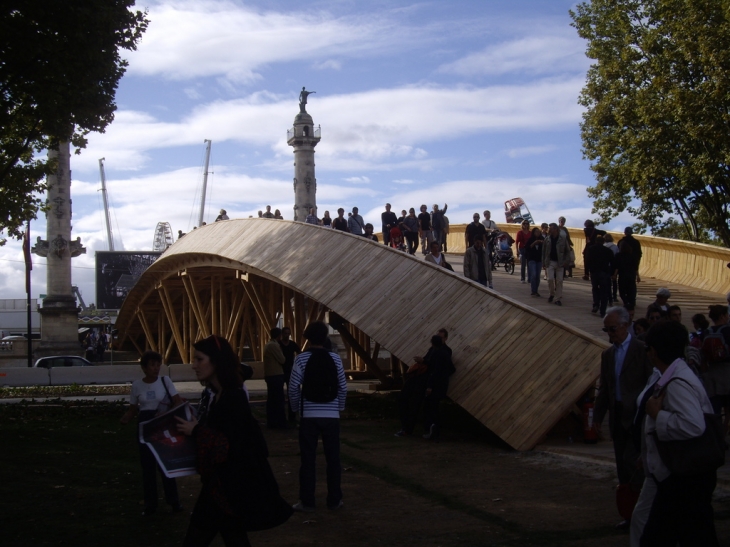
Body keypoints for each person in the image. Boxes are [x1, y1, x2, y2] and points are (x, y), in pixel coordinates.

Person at [176, 335, 293, 546]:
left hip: (227, 487)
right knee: (232, 533)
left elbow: (229, 444)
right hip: (226, 486)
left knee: (200, 536)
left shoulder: (232, 398)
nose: (194, 365)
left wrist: (196, 431)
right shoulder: (220, 394)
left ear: (217, 361)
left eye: (199, 359)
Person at [637, 320, 719, 546]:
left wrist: (657, 415)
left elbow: (693, 424)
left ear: (653, 351)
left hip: (685, 475)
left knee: (658, 536)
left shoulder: (677, 382)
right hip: (685, 473)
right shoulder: (675, 374)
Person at [594, 307, 652, 529]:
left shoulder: (641, 350)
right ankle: (629, 515)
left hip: (637, 417)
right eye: (606, 329)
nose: (610, 333)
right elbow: (605, 388)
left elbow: (650, 382)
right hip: (617, 416)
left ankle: (642, 514)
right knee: (622, 468)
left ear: (625, 326)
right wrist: (598, 416)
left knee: (636, 466)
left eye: (612, 329)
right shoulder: (607, 354)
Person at [289, 321, 347, 512]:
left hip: (309, 415)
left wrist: (297, 409)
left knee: (308, 460)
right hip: (331, 416)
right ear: (325, 337)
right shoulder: (335, 359)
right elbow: (342, 386)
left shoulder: (301, 359)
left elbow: (293, 388)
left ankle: (307, 501)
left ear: (308, 338)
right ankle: (334, 499)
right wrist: (339, 408)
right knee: (333, 460)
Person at [120, 351, 184, 516]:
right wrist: (126, 418)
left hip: (162, 424)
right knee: (148, 468)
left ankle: (174, 501)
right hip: (145, 425)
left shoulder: (165, 381)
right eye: (152, 365)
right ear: (144, 368)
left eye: (158, 365)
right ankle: (150, 504)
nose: (156, 368)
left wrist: (166, 414)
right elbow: (133, 409)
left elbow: (177, 401)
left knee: (166, 465)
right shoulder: (137, 386)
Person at [395, 329, 452, 438]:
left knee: (416, 405)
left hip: (428, 383)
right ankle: (410, 429)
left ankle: (408, 429)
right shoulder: (436, 350)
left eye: (440, 337)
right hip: (423, 380)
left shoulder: (444, 351)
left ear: (445, 338)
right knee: (408, 401)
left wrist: (424, 363)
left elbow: (437, 368)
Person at [701, 305, 730, 431]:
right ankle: (725, 430)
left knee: (714, 409)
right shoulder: (728, 331)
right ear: (723, 316)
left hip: (711, 375)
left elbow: (702, 357)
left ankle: (716, 434)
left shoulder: (706, 332)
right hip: (727, 373)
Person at [585, 235, 615, 317]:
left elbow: (587, 260)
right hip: (604, 273)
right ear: (603, 242)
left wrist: (586, 272)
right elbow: (613, 263)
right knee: (604, 292)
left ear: (595, 241)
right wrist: (612, 274)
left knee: (595, 289)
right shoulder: (608, 251)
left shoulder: (591, 249)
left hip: (594, 272)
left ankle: (596, 304)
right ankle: (602, 310)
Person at [263, 328, 287, 429]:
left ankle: (273, 421)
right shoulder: (273, 345)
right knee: (278, 400)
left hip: (271, 375)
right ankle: (279, 422)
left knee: (273, 400)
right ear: (279, 336)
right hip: (275, 375)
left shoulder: (269, 344)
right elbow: (282, 360)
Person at [541, 223, 570, 306]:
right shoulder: (547, 239)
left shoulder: (563, 239)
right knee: (550, 279)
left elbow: (567, 251)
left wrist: (566, 261)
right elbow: (544, 252)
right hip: (550, 261)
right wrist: (543, 262)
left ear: (556, 230)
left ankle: (558, 298)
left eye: (551, 228)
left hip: (560, 262)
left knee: (559, 280)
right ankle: (552, 293)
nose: (549, 230)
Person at [280, 326, 301, 425]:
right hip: (280, 371)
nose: (287, 335)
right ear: (282, 334)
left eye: (288, 333)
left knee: (291, 393)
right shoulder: (279, 344)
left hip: (290, 371)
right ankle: (282, 417)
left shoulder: (292, 344)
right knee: (280, 395)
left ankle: (292, 417)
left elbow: (299, 352)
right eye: (285, 333)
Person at [614, 240, 638, 308]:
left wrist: (615, 275)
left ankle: (626, 301)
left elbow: (617, 266)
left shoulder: (618, 255)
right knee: (631, 289)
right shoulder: (633, 256)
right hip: (631, 275)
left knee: (622, 290)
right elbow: (635, 267)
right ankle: (631, 301)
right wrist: (638, 276)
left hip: (622, 275)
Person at [525, 227, 544, 297]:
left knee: (538, 276)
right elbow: (527, 248)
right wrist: (534, 243)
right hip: (532, 259)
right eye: (536, 232)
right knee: (533, 274)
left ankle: (536, 290)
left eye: (538, 232)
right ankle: (533, 290)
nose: (537, 233)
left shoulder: (542, 240)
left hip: (539, 260)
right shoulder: (530, 240)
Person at [603, 234, 619, 303]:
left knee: (606, 281)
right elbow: (617, 256)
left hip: (605, 266)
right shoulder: (615, 247)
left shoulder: (603, 246)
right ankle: (614, 296)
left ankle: (606, 294)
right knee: (614, 281)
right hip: (613, 265)